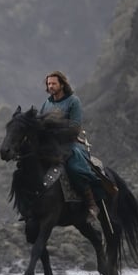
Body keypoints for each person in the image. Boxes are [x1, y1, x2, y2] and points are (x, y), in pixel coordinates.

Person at [39, 71, 101, 225]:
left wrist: (54, 130)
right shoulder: (47, 104)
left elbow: (75, 127)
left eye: (53, 83)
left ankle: (91, 204)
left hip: (68, 144)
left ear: (62, 84)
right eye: (48, 84)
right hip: (49, 146)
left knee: (75, 168)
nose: (50, 86)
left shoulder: (73, 102)